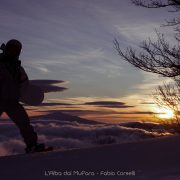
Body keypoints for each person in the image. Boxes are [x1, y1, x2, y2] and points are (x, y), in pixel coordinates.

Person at [0, 39, 46, 153]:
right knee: (24, 123)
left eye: (16, 50)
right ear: (7, 49)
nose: (13, 52)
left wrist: (25, 96)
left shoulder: (18, 69)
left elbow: (24, 85)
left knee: (24, 123)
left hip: (12, 101)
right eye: (11, 49)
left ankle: (32, 145)